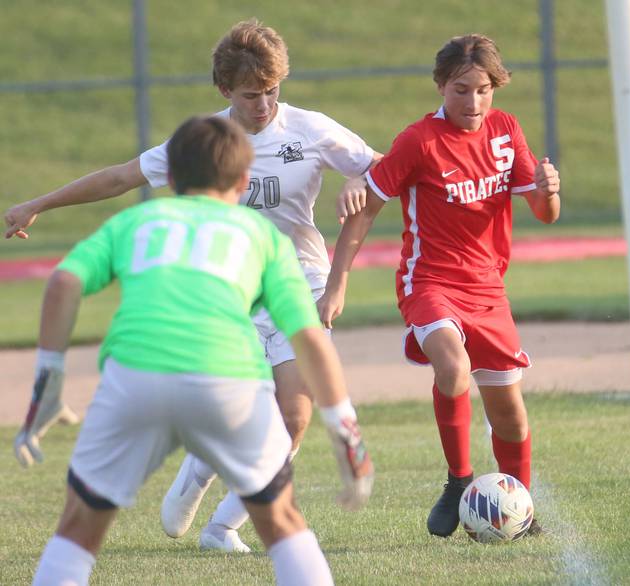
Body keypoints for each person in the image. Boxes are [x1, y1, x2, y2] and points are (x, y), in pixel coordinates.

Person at [4, 19, 381, 552]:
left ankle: (222, 527)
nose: (265, 105)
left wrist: (359, 181)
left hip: (300, 281)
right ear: (225, 90)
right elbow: (120, 177)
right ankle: (199, 468)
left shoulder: (311, 129)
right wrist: (37, 203)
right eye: (252, 94)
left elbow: (384, 168)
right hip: (225, 289)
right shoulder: (204, 143)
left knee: (295, 417)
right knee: (234, 409)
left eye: (273, 91)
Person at [317, 33, 561, 538]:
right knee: (453, 366)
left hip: (488, 289)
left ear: (496, 87)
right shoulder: (418, 141)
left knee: (510, 417)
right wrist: (336, 283)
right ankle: (459, 481)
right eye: (460, 90)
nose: (472, 102)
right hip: (429, 282)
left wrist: (546, 189)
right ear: (441, 86)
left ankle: (520, 505)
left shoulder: (505, 130)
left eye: (483, 89)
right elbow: (365, 212)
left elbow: (544, 214)